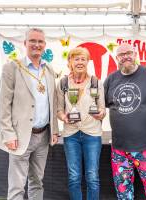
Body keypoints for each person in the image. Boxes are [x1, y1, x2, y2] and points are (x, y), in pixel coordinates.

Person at [0, 28, 59, 200]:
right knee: (17, 185)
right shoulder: (12, 68)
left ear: (44, 45)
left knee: (37, 181)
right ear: (25, 43)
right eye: (32, 41)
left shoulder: (49, 71)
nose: (36, 45)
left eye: (40, 42)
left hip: (43, 135)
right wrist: (8, 133)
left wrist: (54, 130)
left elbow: (52, 102)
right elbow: (3, 105)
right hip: (20, 136)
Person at [104, 43, 146, 199]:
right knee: (123, 194)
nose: (125, 56)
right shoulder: (110, 80)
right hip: (119, 150)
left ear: (136, 54)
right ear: (117, 58)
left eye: (129, 53)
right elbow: (105, 105)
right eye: (121, 54)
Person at [57, 47, 106, 200]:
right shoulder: (63, 83)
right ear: (70, 62)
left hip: (92, 133)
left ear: (87, 62)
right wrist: (64, 117)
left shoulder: (95, 82)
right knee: (74, 176)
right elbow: (59, 109)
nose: (80, 62)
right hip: (71, 134)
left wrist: (101, 113)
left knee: (92, 177)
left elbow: (102, 108)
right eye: (76, 59)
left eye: (83, 59)